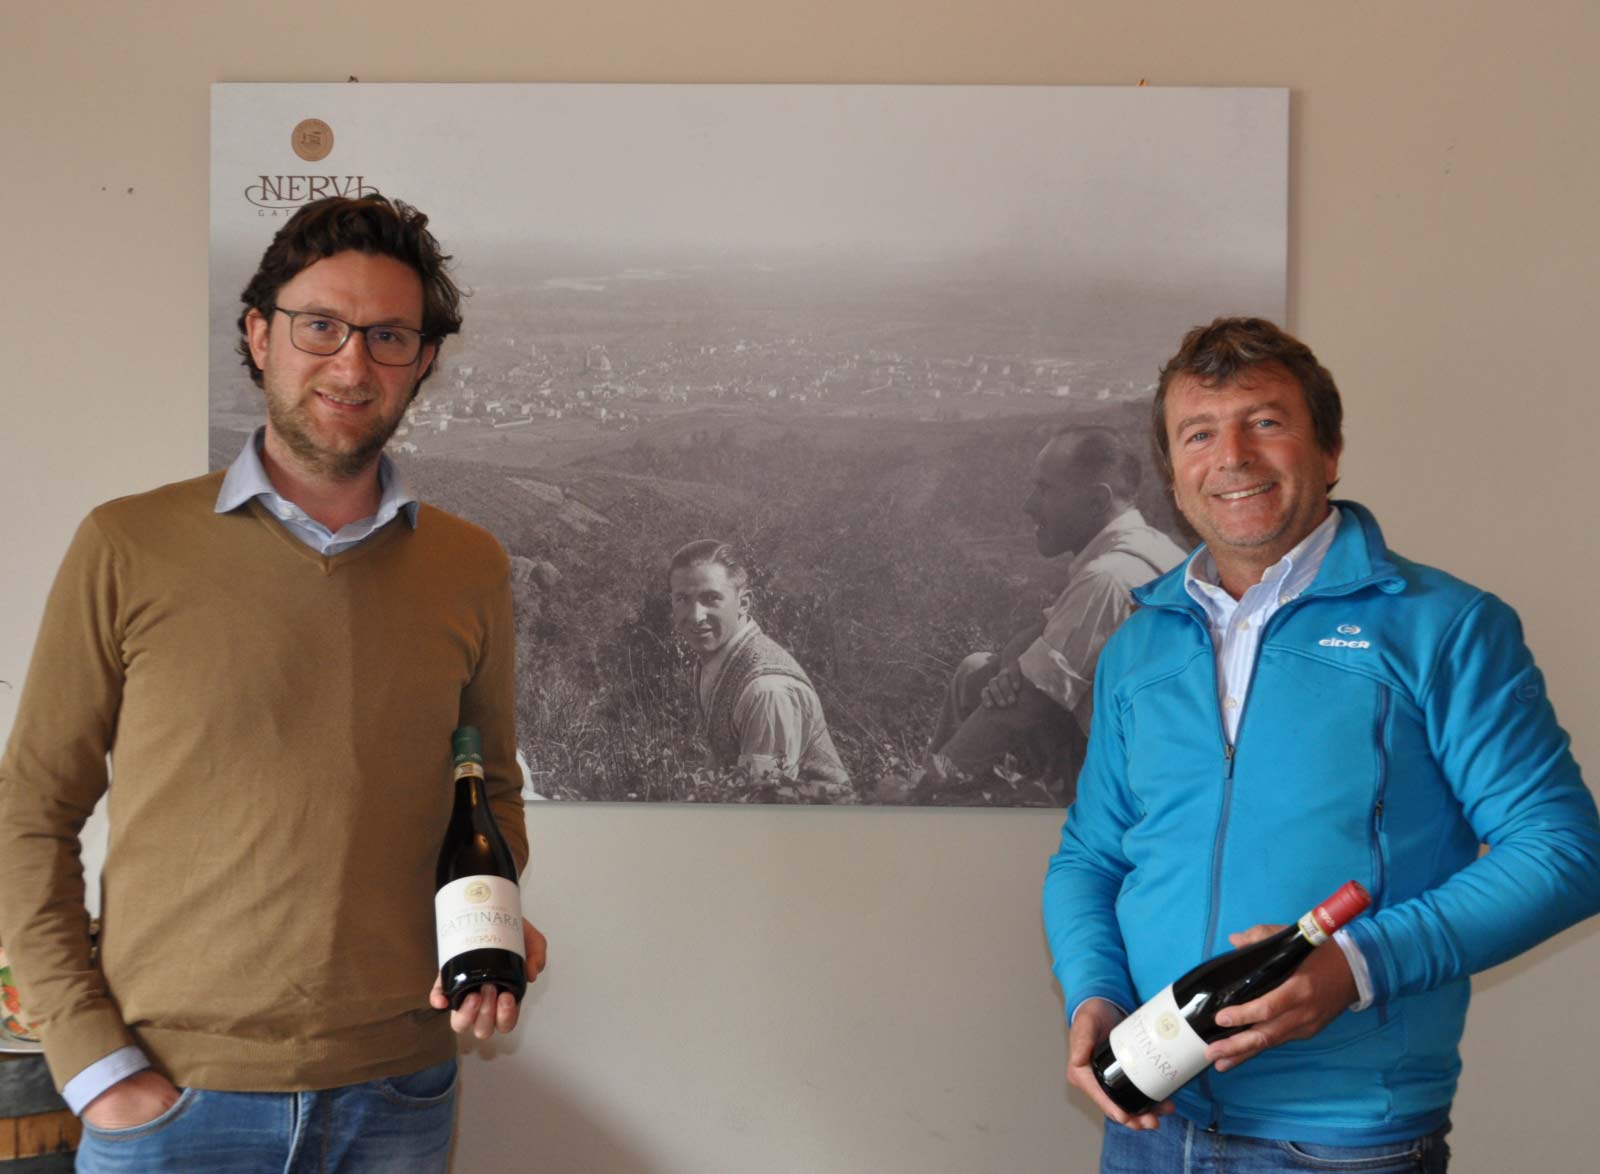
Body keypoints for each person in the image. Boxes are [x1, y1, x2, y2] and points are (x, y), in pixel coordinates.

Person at [0, 195, 548, 1172]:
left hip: (399, 1091)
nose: (353, 364)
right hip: (171, 1100)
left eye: (389, 336)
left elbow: (489, 788)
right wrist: (91, 1062)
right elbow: (31, 810)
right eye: (320, 326)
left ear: (424, 360)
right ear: (260, 335)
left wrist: (488, 922)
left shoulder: (469, 567)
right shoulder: (127, 545)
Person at [1043, 317, 1600, 1170]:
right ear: (1173, 476)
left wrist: (1358, 964)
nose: (1232, 456)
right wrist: (1095, 990)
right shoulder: (1139, 644)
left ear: (1330, 450)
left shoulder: (1443, 627)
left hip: (1340, 1142)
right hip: (1151, 1128)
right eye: (1199, 434)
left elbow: (1562, 851)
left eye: (1265, 422)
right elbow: (1091, 856)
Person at [924, 427, 1185, 800]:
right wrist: (1013, 666)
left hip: (1142, 789)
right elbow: (1037, 635)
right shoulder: (1152, 549)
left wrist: (928, 783)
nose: (1029, 505)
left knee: (991, 705)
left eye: (1045, 489)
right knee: (976, 671)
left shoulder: (1108, 579)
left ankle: (925, 804)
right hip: (1154, 760)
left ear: (1096, 500)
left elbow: (1023, 706)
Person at [668, 539, 850, 796]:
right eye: (683, 599)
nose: (696, 616)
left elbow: (764, 796)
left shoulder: (767, 690)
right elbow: (723, 759)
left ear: (744, 603)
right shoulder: (714, 661)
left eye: (711, 598)